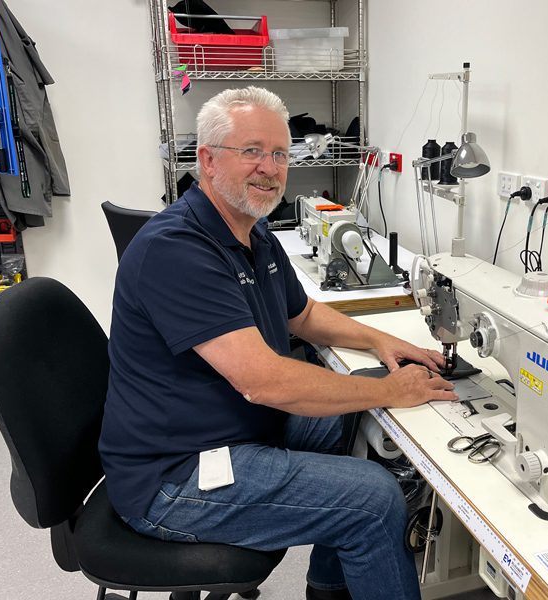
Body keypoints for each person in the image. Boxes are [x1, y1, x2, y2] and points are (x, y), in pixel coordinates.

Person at [99, 86, 457, 600]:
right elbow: (263, 381)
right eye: (251, 151)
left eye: (280, 153)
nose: (270, 167)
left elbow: (304, 314)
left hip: (227, 431)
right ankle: (355, 551)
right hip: (172, 477)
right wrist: (390, 390)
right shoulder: (175, 249)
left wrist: (382, 342)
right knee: (374, 498)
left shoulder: (252, 230)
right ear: (207, 160)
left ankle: (331, 586)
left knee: (350, 424)